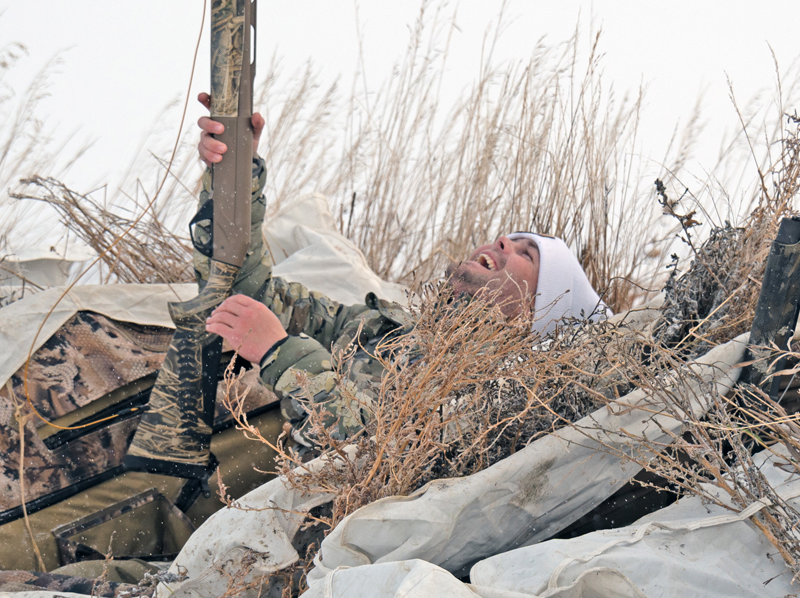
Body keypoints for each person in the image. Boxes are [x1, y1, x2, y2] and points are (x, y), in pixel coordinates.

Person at [125, 97, 611, 465]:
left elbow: (356, 463)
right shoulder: (384, 331)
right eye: (510, 237)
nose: (503, 240)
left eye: (528, 253)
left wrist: (280, 354)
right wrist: (234, 177)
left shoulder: (485, 401)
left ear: (541, 310)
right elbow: (245, 296)